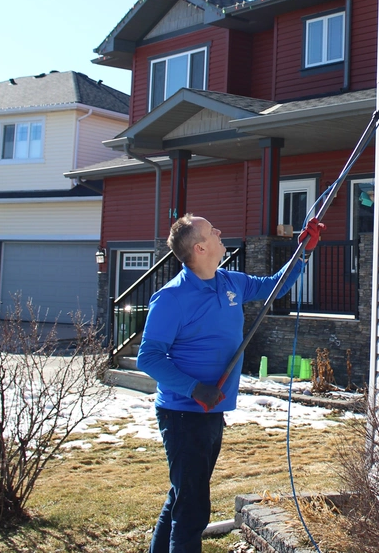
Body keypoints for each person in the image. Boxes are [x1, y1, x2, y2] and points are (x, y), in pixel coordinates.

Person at [137, 213, 324, 553]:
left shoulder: (230, 282)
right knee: (192, 508)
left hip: (211, 411)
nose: (220, 232)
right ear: (200, 248)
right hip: (183, 415)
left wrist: (303, 252)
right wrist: (195, 389)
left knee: (182, 496)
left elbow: (274, 286)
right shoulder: (172, 298)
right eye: (212, 231)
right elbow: (149, 357)